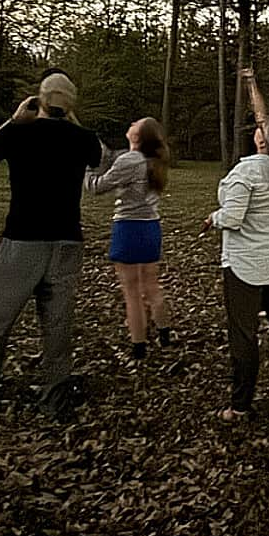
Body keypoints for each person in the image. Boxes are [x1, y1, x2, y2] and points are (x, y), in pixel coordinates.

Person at [0, 70, 102, 424]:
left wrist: (14, 119)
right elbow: (95, 154)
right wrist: (67, 114)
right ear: (70, 104)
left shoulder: (20, 134)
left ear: (40, 101)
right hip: (67, 243)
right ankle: (54, 402)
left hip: (22, 241)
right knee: (57, 329)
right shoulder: (84, 139)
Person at [202, 71, 269, 422]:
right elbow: (265, 119)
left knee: (243, 335)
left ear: (263, 141)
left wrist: (213, 219)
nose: (256, 128)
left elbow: (232, 218)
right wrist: (251, 85)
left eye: (260, 129)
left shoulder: (246, 172)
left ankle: (240, 406)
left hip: (246, 268)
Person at [85, 117, 173, 360]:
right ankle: (164, 334)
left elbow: (95, 187)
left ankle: (139, 347)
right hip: (151, 229)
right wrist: (103, 155)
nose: (131, 122)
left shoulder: (130, 160)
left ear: (137, 137)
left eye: (136, 123)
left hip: (129, 229)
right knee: (151, 287)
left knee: (131, 292)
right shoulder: (153, 160)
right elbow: (116, 159)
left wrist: (89, 164)